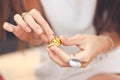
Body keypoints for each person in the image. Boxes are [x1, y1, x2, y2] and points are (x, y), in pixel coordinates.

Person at [3, 0, 120, 80]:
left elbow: (116, 33)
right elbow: (40, 38)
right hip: (61, 66)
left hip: (113, 59)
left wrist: (102, 43)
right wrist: (33, 34)